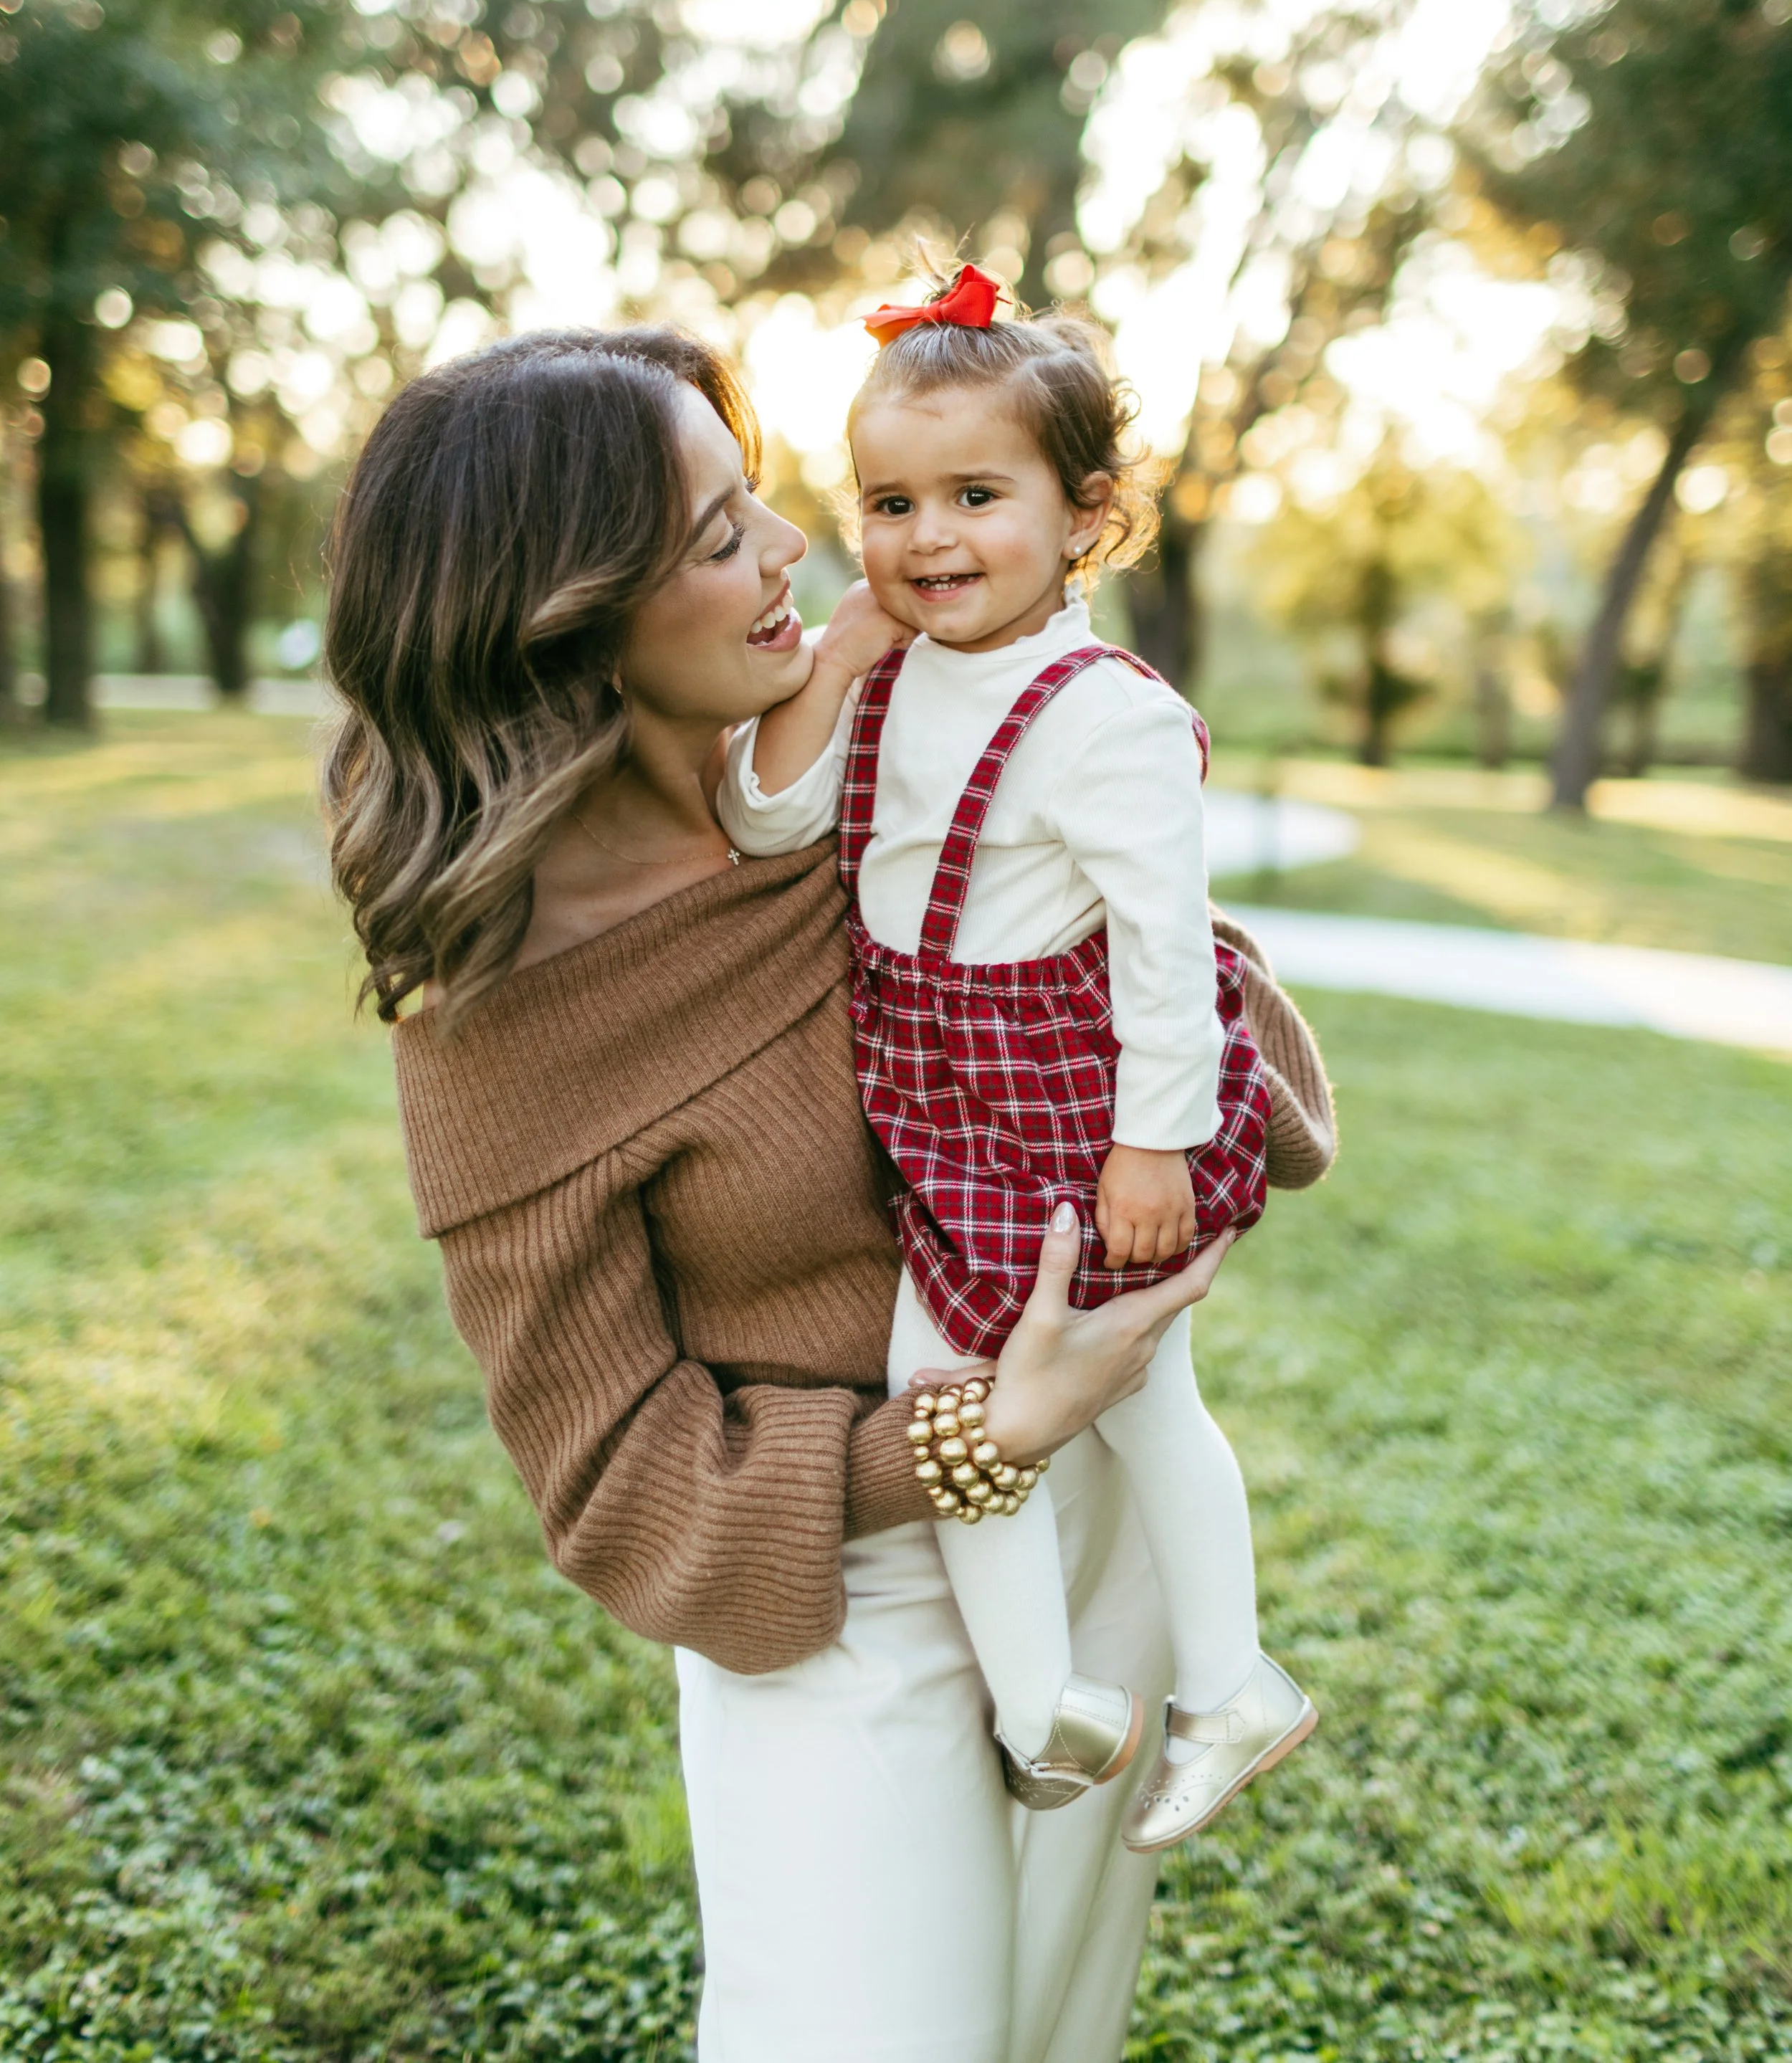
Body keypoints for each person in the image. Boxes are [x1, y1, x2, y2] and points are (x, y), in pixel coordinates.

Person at [322, 324, 1334, 2063]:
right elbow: (616, 1483)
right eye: (720, 536)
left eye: (763, 500)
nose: (801, 546)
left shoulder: (868, 773)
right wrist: (970, 1435)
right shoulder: (504, 1022)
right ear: (570, 619)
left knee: (1046, 2027)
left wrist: (1078, 839)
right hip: (843, 1608)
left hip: (1094, 1534)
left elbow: (1259, 1085)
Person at [717, 264, 1315, 1849]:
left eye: (975, 495)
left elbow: (1164, 955)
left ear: (1084, 514)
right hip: (940, 1112)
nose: (926, 539)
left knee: (1127, 1400)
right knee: (957, 1401)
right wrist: (831, 663)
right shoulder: (891, 671)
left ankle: (1222, 1682)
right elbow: (765, 814)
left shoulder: (1101, 715)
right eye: (888, 501)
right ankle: (1048, 1703)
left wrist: (1152, 1143)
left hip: (1071, 1109)